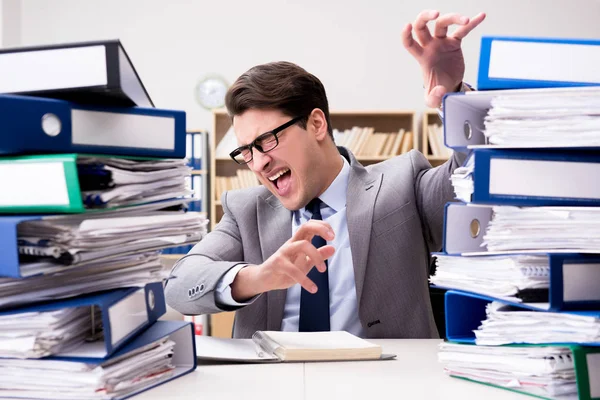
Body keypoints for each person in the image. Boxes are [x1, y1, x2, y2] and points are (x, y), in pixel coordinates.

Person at [165, 10, 486, 339]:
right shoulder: (245, 210)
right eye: (246, 150)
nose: (257, 163)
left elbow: (475, 182)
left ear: (316, 124)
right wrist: (258, 277)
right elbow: (178, 286)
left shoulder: (403, 183)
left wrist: (455, 100)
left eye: (266, 141)